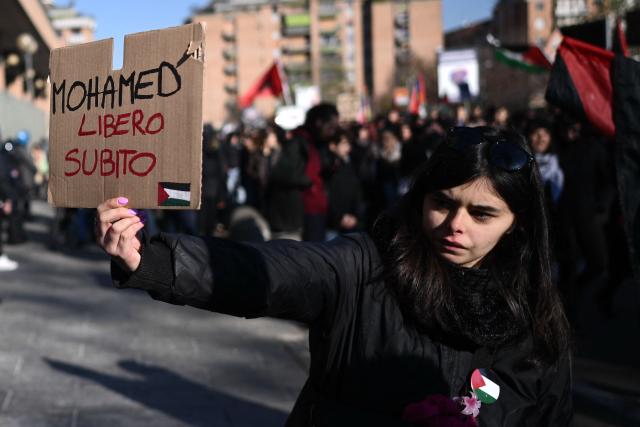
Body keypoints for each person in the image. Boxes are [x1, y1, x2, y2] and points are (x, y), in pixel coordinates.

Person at [96, 126, 572, 426]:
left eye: (483, 214)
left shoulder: (533, 313)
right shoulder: (367, 266)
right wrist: (152, 261)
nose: (456, 226)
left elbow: (546, 407)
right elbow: (268, 272)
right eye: (442, 203)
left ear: (519, 224)